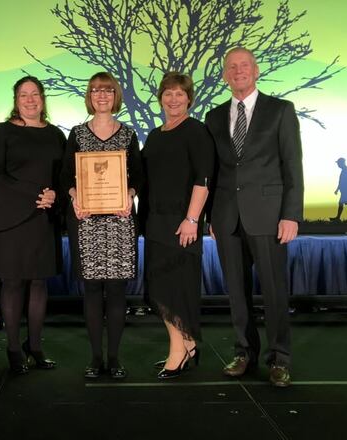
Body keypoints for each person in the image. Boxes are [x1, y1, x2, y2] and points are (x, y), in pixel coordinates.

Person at [204, 47, 304, 387]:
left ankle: (279, 359)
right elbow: (213, 172)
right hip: (226, 218)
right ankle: (244, 351)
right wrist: (209, 218)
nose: (238, 71)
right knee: (236, 291)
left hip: (269, 216)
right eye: (231, 67)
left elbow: (292, 166)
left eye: (244, 65)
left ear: (256, 71)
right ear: (223, 75)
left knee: (275, 291)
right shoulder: (214, 117)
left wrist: (291, 215)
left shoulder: (281, 110)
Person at [60, 72, 143, 379]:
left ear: (115, 95)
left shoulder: (128, 135)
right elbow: (66, 177)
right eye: (95, 90)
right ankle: (96, 358)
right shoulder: (77, 134)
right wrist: (74, 198)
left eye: (107, 90)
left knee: (118, 292)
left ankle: (115, 358)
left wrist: (130, 195)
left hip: (119, 222)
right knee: (92, 291)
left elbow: (138, 176)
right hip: (88, 222)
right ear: (89, 96)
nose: (102, 95)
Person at [0, 76, 66, 374]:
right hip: (10, 218)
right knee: (13, 282)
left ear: (43, 99)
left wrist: (55, 194)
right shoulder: (3, 132)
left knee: (38, 282)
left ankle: (35, 346)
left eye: (35, 94)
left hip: (43, 219)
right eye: (23, 95)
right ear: (15, 101)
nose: (30, 100)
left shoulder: (57, 135)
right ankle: (13, 348)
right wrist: (35, 194)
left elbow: (64, 176)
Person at [141, 72, 211, 380]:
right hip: (155, 222)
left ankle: (178, 352)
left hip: (183, 224)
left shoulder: (196, 131)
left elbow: (204, 178)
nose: (173, 99)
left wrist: (192, 219)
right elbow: (139, 175)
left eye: (179, 94)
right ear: (161, 98)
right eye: (168, 94)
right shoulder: (156, 135)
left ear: (189, 98)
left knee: (177, 290)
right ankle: (187, 342)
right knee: (159, 290)